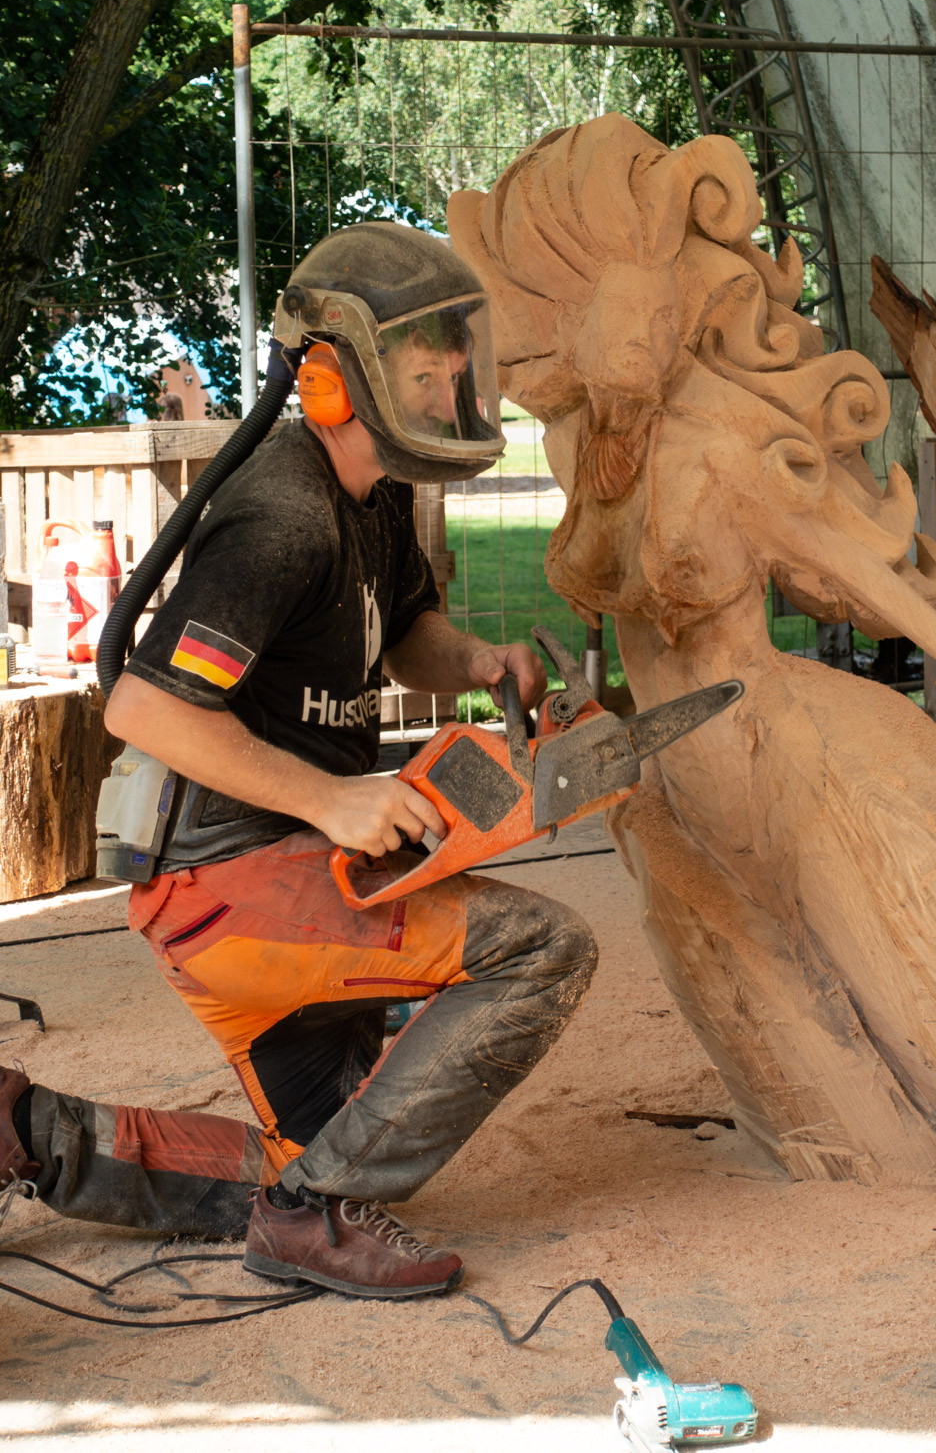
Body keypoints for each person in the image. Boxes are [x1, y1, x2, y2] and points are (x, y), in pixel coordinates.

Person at [0, 222, 598, 1300]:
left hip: (290, 870)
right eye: (422, 377)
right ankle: (307, 1220)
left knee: (319, 1153)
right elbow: (143, 705)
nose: (447, 394)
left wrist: (480, 661)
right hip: (229, 887)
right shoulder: (280, 514)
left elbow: (402, 636)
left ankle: (28, 1133)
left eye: (452, 372)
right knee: (544, 946)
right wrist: (332, 800)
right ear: (330, 381)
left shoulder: (372, 496)